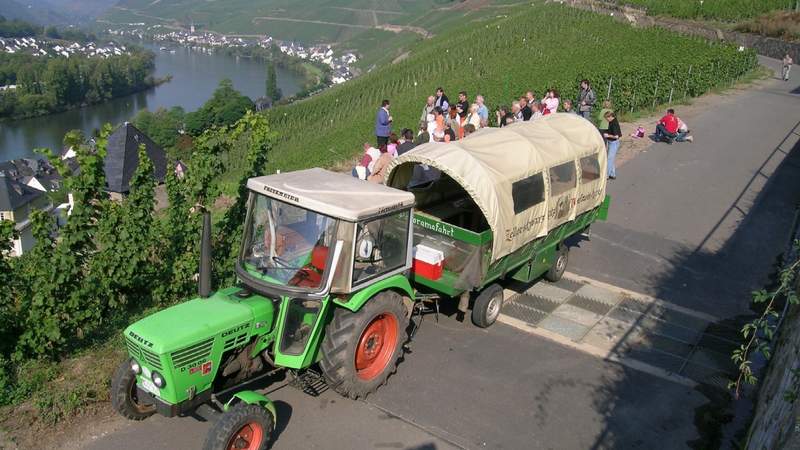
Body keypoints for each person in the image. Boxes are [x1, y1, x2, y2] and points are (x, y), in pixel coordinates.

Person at [602, 111, 621, 180]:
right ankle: (612, 174)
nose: (606, 120)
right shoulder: (612, 122)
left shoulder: (614, 124)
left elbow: (616, 136)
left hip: (614, 143)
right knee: (611, 158)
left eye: (606, 118)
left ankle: (606, 175)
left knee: (609, 159)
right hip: (610, 142)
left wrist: (608, 135)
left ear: (610, 117)